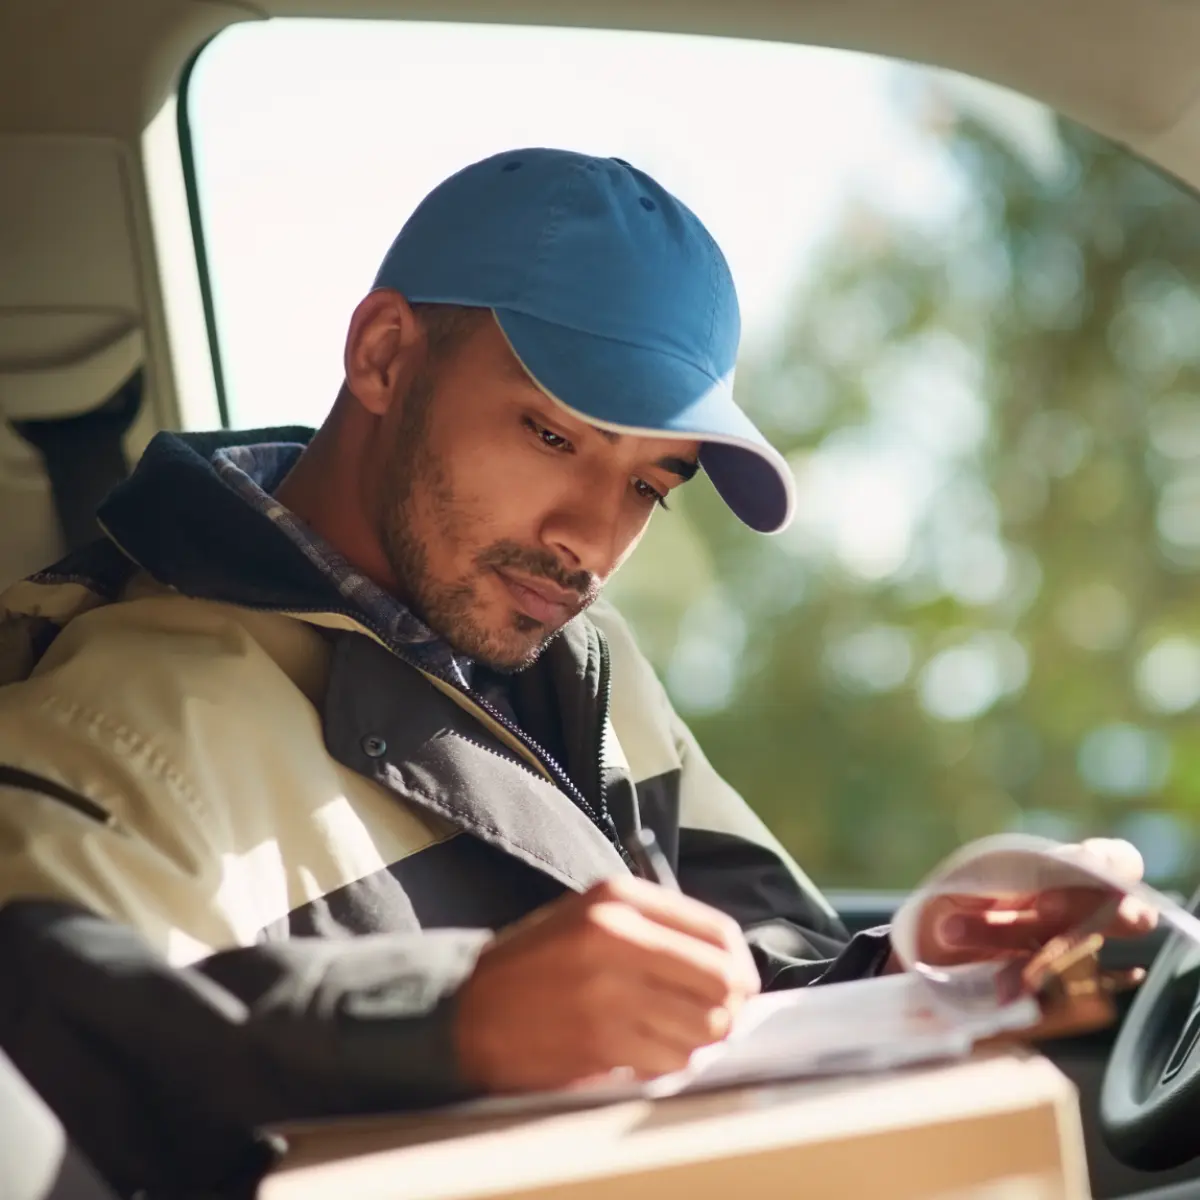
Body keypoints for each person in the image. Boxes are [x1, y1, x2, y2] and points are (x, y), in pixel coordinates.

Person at [0, 148, 1150, 1195]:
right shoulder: (127, 689)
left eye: (652, 483)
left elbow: (753, 984)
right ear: (385, 356)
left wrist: (922, 965)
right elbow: (48, 1015)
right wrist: (448, 1020)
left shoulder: (573, 658)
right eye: (555, 436)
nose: (591, 542)